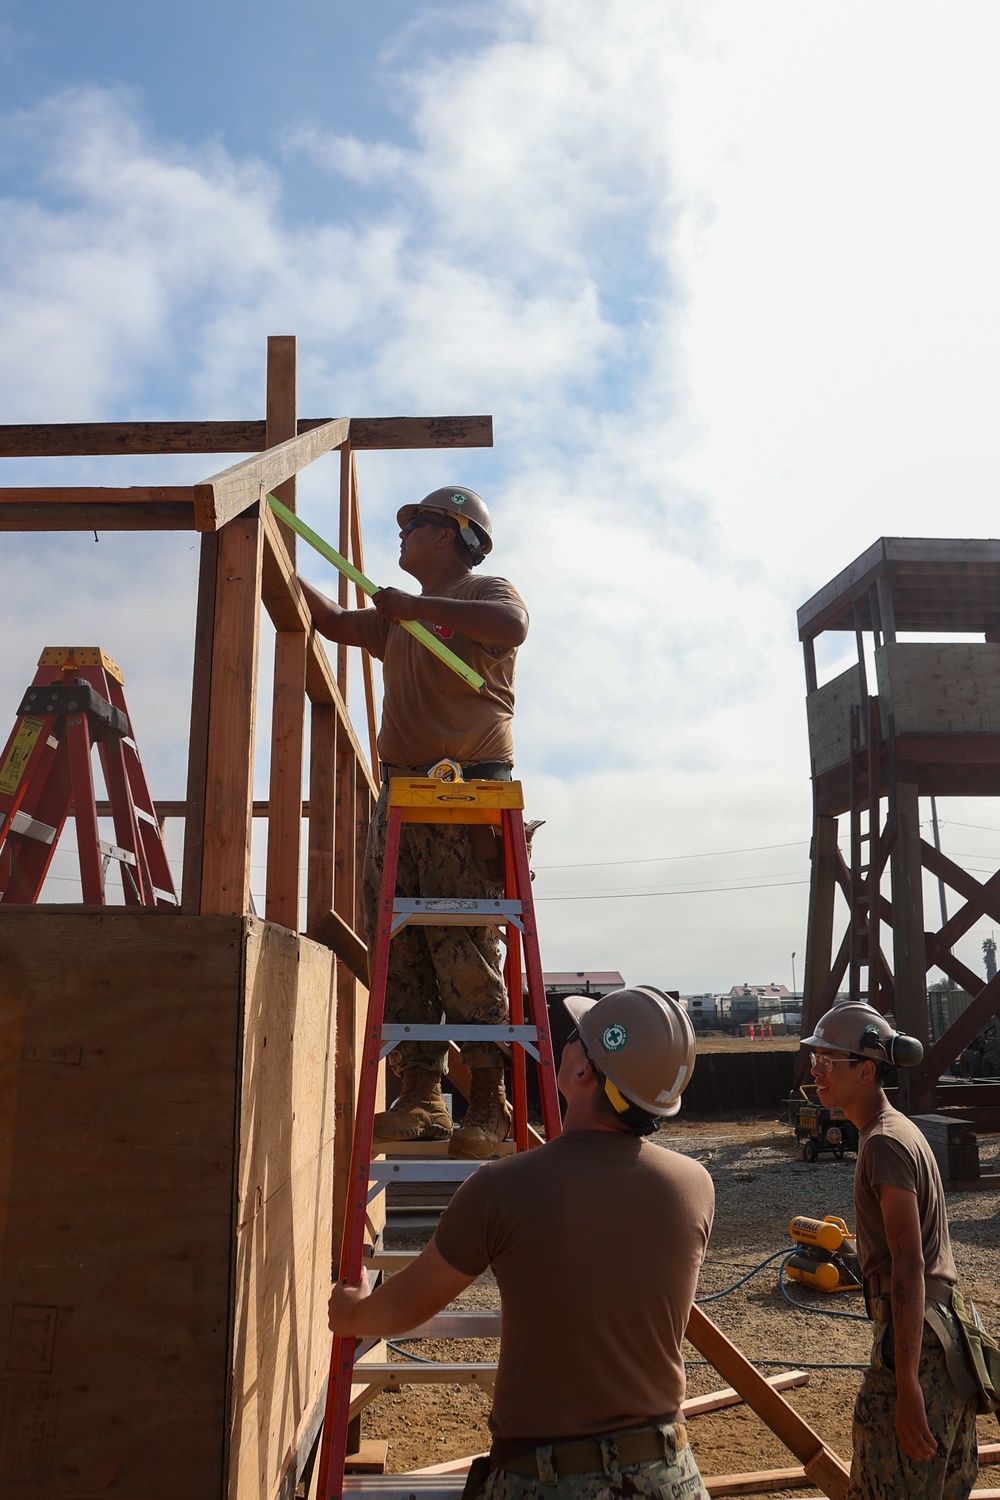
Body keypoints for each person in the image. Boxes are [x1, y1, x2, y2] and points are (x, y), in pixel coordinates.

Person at [329, 986, 715, 1500]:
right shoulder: (695, 1186)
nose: (565, 1044)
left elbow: (406, 1307)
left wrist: (352, 1313)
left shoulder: (501, 1188)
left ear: (582, 1074)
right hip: (669, 1473)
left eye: (575, 1038)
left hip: (547, 1479)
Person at [299, 487, 528, 1159]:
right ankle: (421, 1094)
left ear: (453, 534)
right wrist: (282, 564)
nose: (403, 536)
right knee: (397, 950)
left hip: (463, 799)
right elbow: (339, 624)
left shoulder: (487, 593)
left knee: (461, 947)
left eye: (416, 524)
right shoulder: (396, 621)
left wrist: (414, 607)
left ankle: (488, 1101)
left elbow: (511, 630)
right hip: (400, 801)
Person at [804, 1001, 980, 1500]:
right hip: (944, 1342)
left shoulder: (882, 1142)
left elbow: (909, 1262)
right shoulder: (897, 1132)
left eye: (826, 1061)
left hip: (921, 1347)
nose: (816, 1071)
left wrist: (906, 1386)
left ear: (865, 1070)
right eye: (814, 1060)